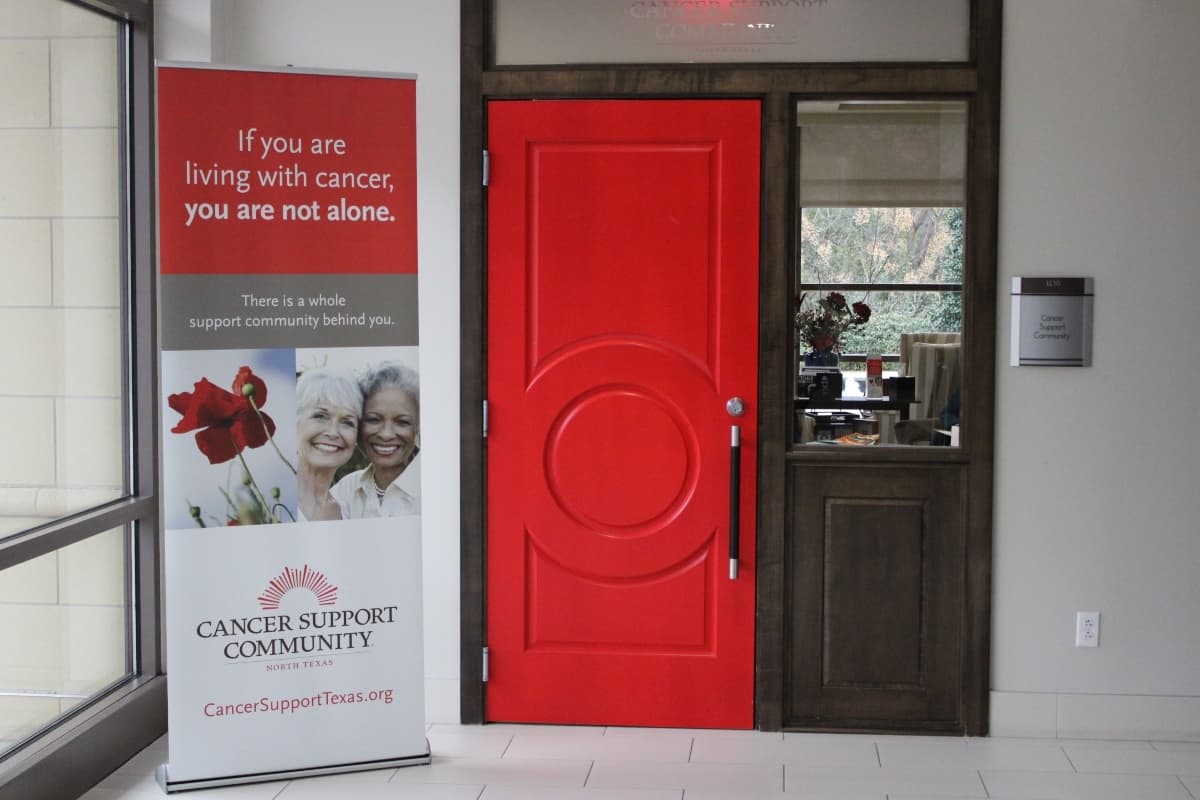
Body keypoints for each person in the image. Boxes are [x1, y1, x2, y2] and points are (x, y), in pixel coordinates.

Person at [331, 361, 420, 517]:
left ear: (418, 427)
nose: (386, 434)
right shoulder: (347, 489)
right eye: (373, 419)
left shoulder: (435, 487)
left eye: (402, 422)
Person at [294, 369, 362, 521]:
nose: (333, 433)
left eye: (347, 422)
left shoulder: (348, 511)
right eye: (320, 416)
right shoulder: (272, 498)